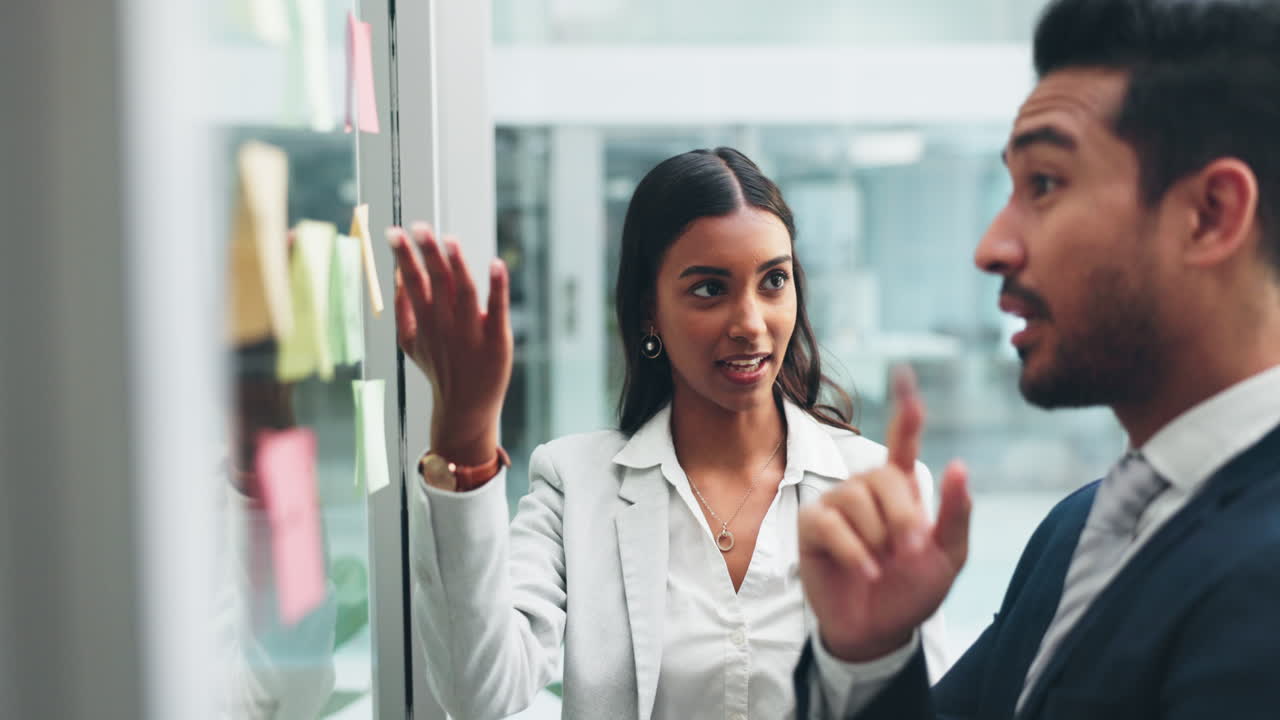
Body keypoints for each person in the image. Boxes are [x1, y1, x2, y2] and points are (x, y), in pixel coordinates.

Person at [793, 0, 1280, 718]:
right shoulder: (1082, 526)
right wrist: (865, 655)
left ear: (1209, 215)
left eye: (1044, 184)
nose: (991, 246)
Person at [388, 148, 949, 719]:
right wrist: (465, 438)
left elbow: (924, 703)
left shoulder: (878, 487)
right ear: (647, 311)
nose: (751, 323)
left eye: (773, 281)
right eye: (710, 289)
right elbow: (476, 692)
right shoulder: (574, 486)